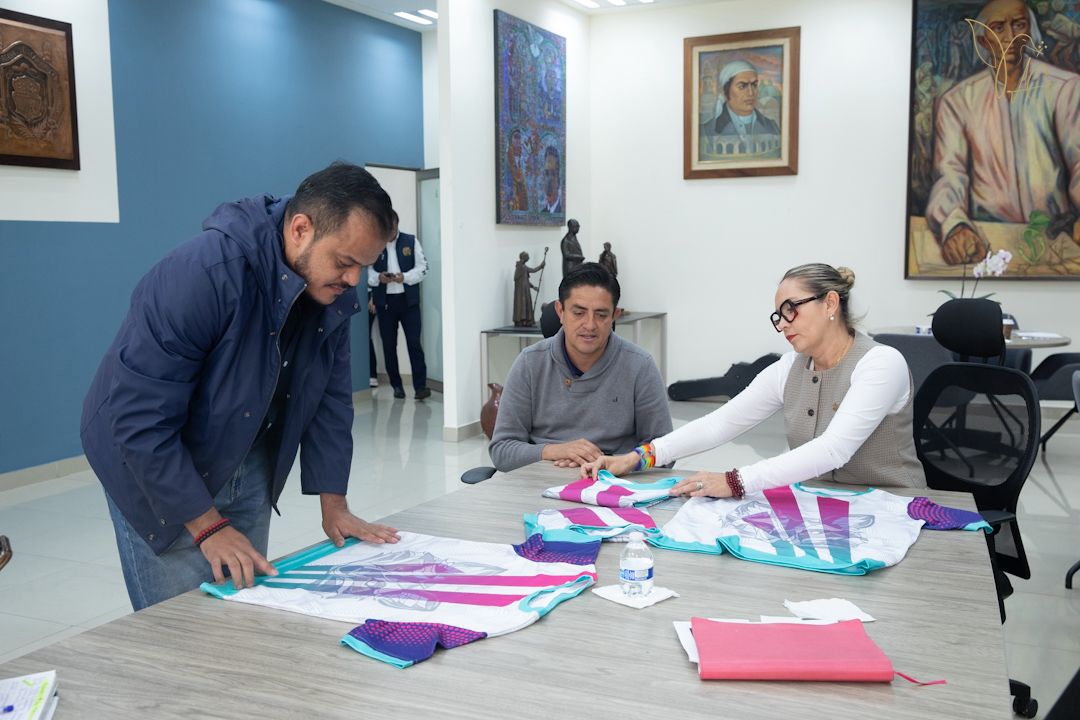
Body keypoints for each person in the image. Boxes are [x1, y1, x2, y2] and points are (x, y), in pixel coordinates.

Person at [81, 162, 402, 611]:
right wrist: (208, 526)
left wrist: (336, 504)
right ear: (301, 229)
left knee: (240, 606)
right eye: (345, 263)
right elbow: (138, 421)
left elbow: (329, 401)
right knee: (184, 623)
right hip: (154, 460)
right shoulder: (200, 275)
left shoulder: (330, 290)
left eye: (363, 268)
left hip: (248, 449)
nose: (353, 281)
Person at [582, 263, 926, 499]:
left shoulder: (881, 363)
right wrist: (638, 457)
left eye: (792, 309)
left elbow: (833, 449)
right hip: (822, 509)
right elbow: (718, 424)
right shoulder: (788, 368)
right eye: (779, 315)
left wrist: (735, 481)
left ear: (830, 303)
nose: (783, 323)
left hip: (895, 508)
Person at [926, 0, 1080, 264]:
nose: (1011, 36)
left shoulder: (1065, 87)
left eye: (1019, 24)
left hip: (1058, 237)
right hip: (986, 239)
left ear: (1029, 30)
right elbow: (950, 174)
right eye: (998, 28)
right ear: (983, 40)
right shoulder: (958, 101)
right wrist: (954, 224)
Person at [489, 263, 672, 473]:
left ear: (615, 315)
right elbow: (502, 451)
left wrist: (618, 462)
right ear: (560, 311)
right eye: (579, 313)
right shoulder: (529, 363)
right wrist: (554, 451)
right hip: (540, 479)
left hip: (616, 481)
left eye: (601, 315)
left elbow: (665, 451)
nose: (590, 325)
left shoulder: (640, 366)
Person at [368, 212, 431, 400]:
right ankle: (396, 386)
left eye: (392, 228)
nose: (389, 232)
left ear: (397, 224)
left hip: (408, 301)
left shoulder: (410, 241)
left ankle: (420, 387)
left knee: (414, 344)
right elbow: (367, 272)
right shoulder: (374, 242)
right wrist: (378, 278)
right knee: (389, 346)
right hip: (385, 303)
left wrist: (406, 277)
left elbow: (423, 268)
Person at [711, 60, 781, 149]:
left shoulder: (771, 126)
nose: (751, 93)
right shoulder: (708, 129)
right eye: (742, 86)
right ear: (725, 91)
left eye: (754, 85)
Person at [513, 251, 545, 327]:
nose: (528, 258)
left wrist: (533, 287)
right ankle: (523, 320)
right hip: (522, 292)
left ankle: (525, 320)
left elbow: (525, 280)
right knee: (523, 304)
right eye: (527, 257)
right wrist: (541, 266)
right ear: (524, 257)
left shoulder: (522, 267)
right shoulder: (522, 267)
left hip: (525, 291)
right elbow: (533, 270)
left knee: (525, 304)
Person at [367, 289, 379, 387]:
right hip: (351, 293)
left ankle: (372, 374)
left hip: (369, 296)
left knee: (365, 337)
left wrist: (374, 297)